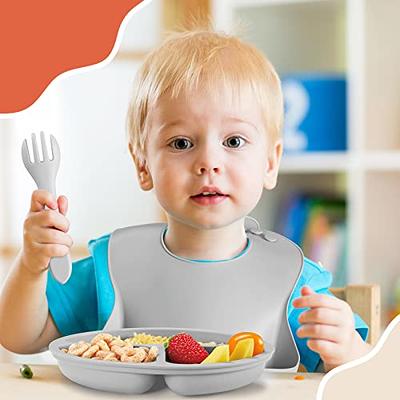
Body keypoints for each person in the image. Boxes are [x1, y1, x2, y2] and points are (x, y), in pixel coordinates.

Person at [0, 28, 370, 372]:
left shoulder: (294, 281)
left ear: (270, 163)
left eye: (234, 142)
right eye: (181, 143)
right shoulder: (110, 268)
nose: (209, 162)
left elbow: (363, 377)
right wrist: (33, 265)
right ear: (143, 165)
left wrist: (348, 351)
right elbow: (21, 336)